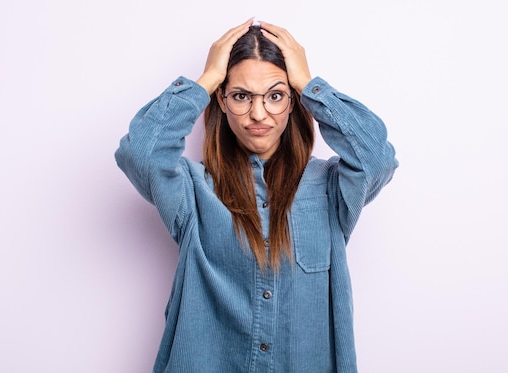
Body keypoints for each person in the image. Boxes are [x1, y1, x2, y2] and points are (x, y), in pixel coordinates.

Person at [115, 19, 398, 373]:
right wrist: (206, 80)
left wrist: (310, 85)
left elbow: (377, 159)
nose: (258, 113)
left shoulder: (329, 187)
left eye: (276, 95)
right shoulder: (193, 190)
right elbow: (141, 153)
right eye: (241, 96)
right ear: (222, 98)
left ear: (293, 101)